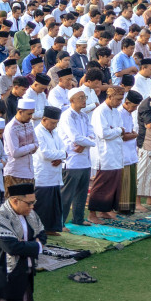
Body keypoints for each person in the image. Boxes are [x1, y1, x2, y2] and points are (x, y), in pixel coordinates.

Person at [88, 87, 126, 221]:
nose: (120, 102)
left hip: (115, 152)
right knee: (101, 185)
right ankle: (92, 214)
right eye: (118, 99)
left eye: (122, 99)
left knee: (113, 184)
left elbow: (122, 129)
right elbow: (103, 133)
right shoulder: (100, 111)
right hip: (103, 153)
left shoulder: (116, 111)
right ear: (109, 97)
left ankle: (105, 211)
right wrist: (118, 130)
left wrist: (116, 130)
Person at [58, 88, 95, 225]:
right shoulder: (67, 116)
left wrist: (86, 144)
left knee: (82, 192)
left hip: (84, 158)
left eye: (84, 97)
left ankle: (78, 219)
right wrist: (89, 142)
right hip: (72, 159)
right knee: (67, 194)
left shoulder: (84, 115)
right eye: (80, 98)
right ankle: (60, 223)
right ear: (72, 100)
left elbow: (92, 134)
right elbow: (75, 137)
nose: (84, 100)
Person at [32, 106, 66, 233]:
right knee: (43, 204)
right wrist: (62, 155)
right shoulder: (37, 132)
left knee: (53, 204)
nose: (55, 126)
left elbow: (64, 148)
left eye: (56, 123)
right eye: (53, 123)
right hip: (43, 173)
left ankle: (51, 229)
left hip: (55, 173)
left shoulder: (54, 132)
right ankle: (40, 230)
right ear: (44, 119)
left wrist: (62, 156)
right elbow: (45, 154)